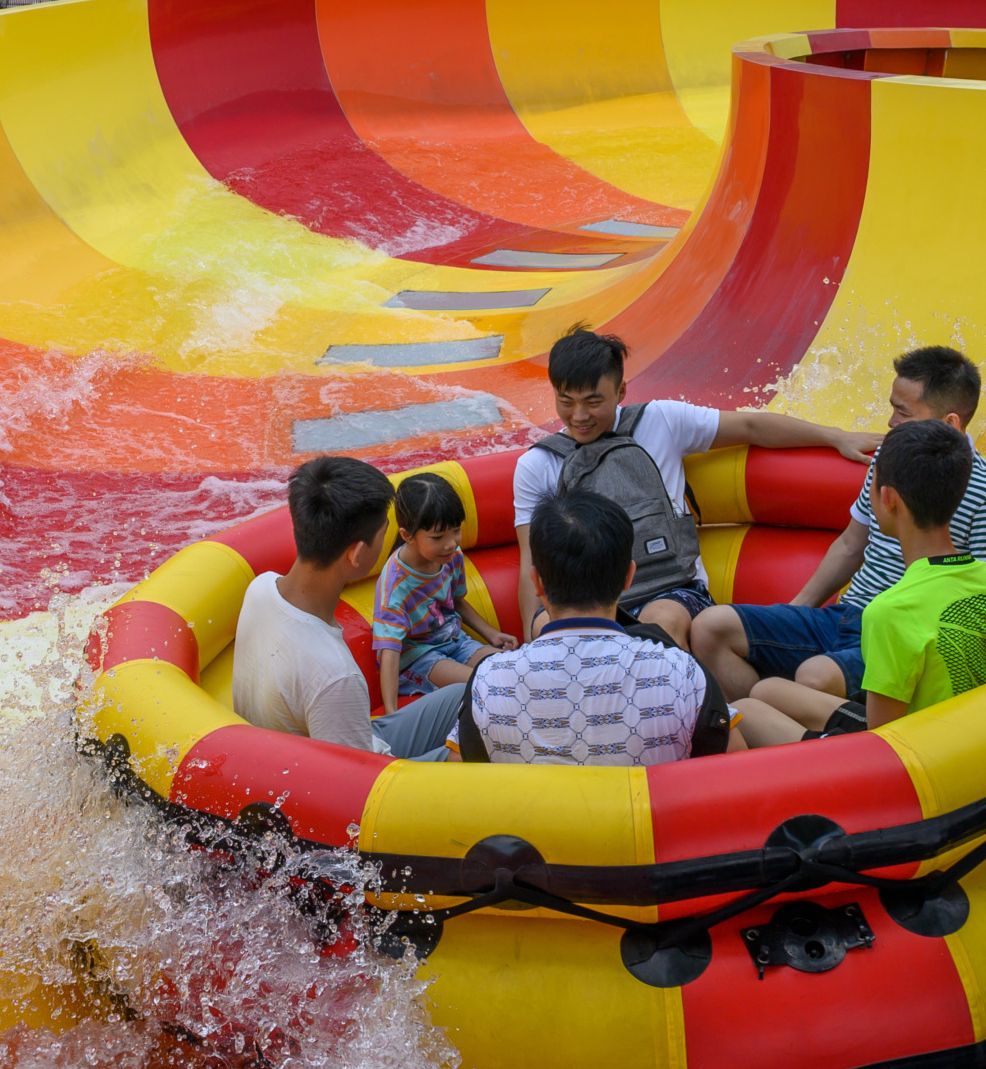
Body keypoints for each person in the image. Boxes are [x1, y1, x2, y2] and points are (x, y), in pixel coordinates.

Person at [514, 325, 880, 648]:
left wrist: (834, 436)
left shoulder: (661, 421)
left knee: (660, 622)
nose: (579, 416)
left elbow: (751, 427)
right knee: (552, 630)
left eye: (593, 402)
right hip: (583, 600)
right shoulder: (537, 465)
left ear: (621, 391)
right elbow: (533, 559)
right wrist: (533, 632)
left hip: (671, 589)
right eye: (567, 402)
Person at [691, 345, 986, 703]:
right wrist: (796, 609)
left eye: (902, 412)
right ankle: (766, 724)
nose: (891, 421)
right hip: (848, 615)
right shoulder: (889, 457)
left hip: (900, 636)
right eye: (892, 407)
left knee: (810, 681)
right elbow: (850, 545)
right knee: (710, 628)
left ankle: (782, 724)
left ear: (950, 422)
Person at [739, 420, 986, 745]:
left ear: (888, 499)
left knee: (745, 710)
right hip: (970, 736)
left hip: (917, 755)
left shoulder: (890, 612)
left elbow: (882, 745)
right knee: (766, 690)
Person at [460, 490, 744, 766]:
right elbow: (734, 773)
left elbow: (461, 779)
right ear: (628, 577)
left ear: (536, 582)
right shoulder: (683, 674)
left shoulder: (487, 681)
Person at [231, 456, 466, 761]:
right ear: (356, 554)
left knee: (472, 692)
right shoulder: (335, 675)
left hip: (326, 743)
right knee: (481, 745)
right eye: (384, 535)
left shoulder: (260, 587)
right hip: (353, 780)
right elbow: (357, 788)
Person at [374, 472, 517, 715]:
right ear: (407, 535)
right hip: (419, 657)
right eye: (438, 537)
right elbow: (389, 650)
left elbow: (456, 601)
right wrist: (391, 715)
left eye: (455, 530)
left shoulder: (451, 556)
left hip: (454, 641)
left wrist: (491, 634)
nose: (451, 543)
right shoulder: (396, 584)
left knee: (512, 672)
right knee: (485, 685)